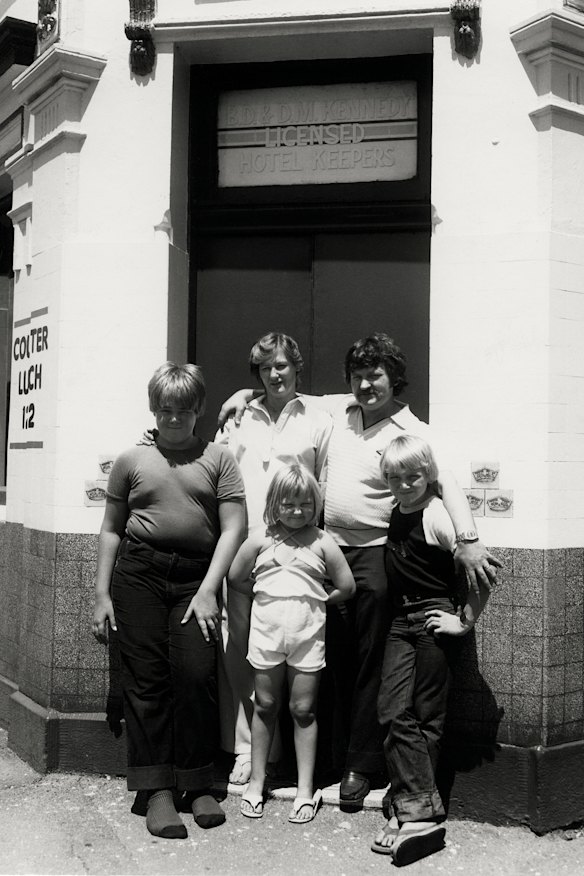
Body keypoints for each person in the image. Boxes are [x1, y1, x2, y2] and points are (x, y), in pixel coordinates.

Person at [217, 332, 500, 807]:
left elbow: (445, 478)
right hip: (323, 549)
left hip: (374, 555)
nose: (366, 384)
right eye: (358, 376)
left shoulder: (413, 429)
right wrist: (240, 395)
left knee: (370, 659)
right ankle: (320, 758)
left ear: (394, 378)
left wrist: (468, 539)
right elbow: (283, 390)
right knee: (322, 655)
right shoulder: (339, 411)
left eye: (376, 375)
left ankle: (359, 766)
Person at [92, 362, 246, 839]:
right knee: (147, 680)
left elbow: (235, 527)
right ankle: (156, 789)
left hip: (194, 579)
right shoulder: (131, 461)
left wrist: (207, 591)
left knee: (197, 675)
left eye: (183, 409)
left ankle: (196, 782)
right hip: (138, 575)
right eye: (165, 409)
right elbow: (112, 529)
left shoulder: (219, 458)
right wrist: (101, 593)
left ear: (199, 409)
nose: (173, 417)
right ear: (154, 409)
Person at [215, 333, 333, 785]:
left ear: (297, 367)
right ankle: (247, 750)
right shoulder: (238, 419)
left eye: (283, 365)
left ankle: (292, 754)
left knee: (297, 652)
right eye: (266, 369)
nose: (275, 374)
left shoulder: (319, 420)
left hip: (297, 554)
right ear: (257, 374)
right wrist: (240, 398)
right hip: (245, 548)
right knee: (241, 647)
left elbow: (324, 482)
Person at [372, 434, 490, 865]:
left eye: (413, 476)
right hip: (400, 622)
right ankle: (418, 808)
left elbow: (482, 571)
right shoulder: (394, 511)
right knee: (391, 710)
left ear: (429, 475)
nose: (404, 484)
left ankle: (411, 815)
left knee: (426, 716)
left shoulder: (436, 514)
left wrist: (463, 621)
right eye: (395, 476)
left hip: (431, 621)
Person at [228, 464, 355, 823]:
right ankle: (257, 782)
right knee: (265, 704)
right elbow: (236, 576)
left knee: (303, 711)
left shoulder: (322, 541)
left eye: (304, 504)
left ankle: (304, 788)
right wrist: (265, 596)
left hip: (307, 639)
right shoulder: (259, 540)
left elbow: (347, 587)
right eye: (288, 503)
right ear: (274, 503)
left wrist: (314, 598)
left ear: (315, 504)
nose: (296, 511)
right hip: (266, 637)